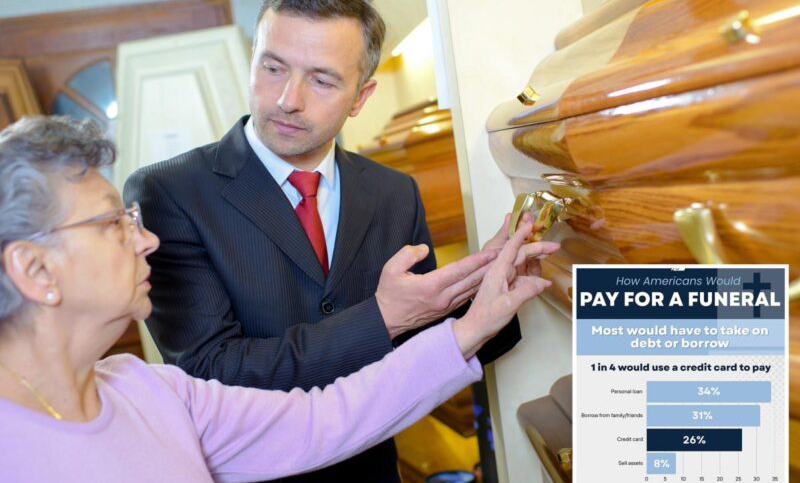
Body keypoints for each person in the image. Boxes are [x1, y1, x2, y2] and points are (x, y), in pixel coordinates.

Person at [124, 0, 559, 480]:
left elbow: (418, 348)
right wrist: (381, 318)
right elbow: (209, 374)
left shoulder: (394, 192)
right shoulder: (168, 192)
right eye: (273, 67)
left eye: (322, 80)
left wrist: (491, 287)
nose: (288, 99)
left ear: (360, 97)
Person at [0, 115, 552, 482]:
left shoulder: (146, 388)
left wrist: (472, 322)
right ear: (34, 267)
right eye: (111, 224)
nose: (146, 240)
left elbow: (326, 419)